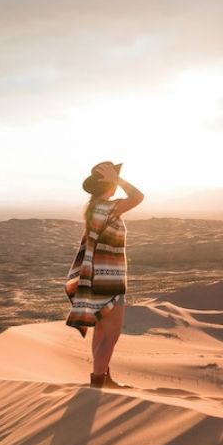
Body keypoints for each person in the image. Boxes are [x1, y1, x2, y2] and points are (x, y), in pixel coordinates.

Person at [65, 161, 144, 388]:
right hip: (109, 280)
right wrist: (117, 178)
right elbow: (138, 197)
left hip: (95, 279)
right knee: (111, 335)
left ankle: (101, 377)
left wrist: (113, 178)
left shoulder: (94, 209)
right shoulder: (107, 208)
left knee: (100, 333)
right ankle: (99, 382)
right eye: (113, 184)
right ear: (108, 185)